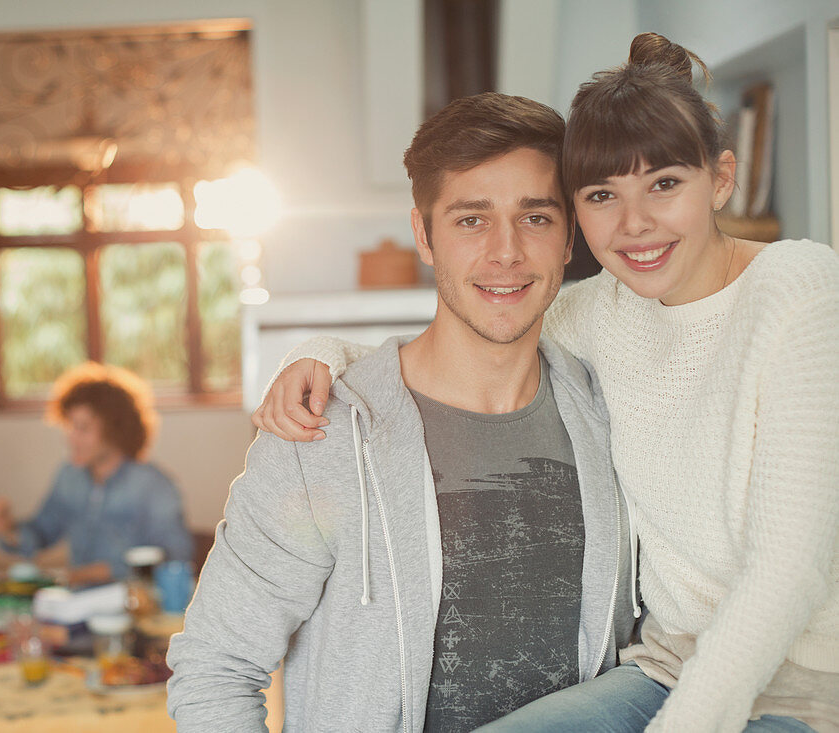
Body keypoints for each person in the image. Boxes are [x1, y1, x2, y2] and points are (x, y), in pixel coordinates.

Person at [255, 33, 839, 733]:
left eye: (665, 184)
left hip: (806, 689)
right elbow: (462, 341)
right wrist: (319, 353)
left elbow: (791, 570)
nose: (635, 225)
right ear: (574, 218)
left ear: (719, 179)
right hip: (662, 670)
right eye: (602, 195)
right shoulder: (602, 310)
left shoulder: (801, 291)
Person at [167, 93, 639, 731]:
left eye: (535, 218)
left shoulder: (616, 415)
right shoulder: (322, 433)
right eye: (471, 220)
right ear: (425, 235)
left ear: (568, 238)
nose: (506, 252)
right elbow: (217, 668)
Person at [0, 362, 192, 586]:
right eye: (70, 426)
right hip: (78, 600)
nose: (71, 438)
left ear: (115, 430)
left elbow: (176, 555)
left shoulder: (153, 484)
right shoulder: (69, 476)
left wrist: (96, 572)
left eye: (83, 428)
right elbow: (42, 532)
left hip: (133, 602)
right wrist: (6, 528)